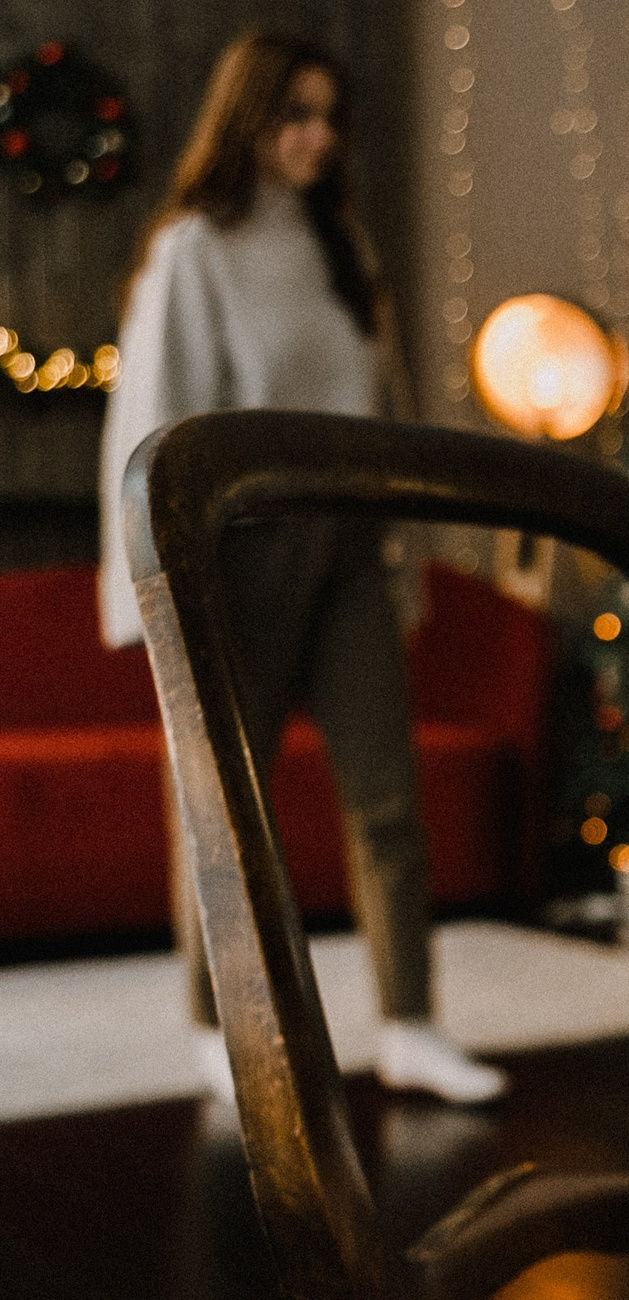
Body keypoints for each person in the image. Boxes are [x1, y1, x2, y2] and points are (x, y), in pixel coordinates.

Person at [99, 32, 504, 1106]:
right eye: (297, 115)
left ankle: (411, 1023)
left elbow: (389, 414)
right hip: (239, 553)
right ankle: (221, 1031)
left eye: (332, 117)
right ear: (248, 118)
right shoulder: (197, 247)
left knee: (387, 801)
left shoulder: (346, 252)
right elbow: (151, 429)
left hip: (352, 548)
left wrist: (406, 557)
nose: (319, 138)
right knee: (227, 807)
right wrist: (152, 591)